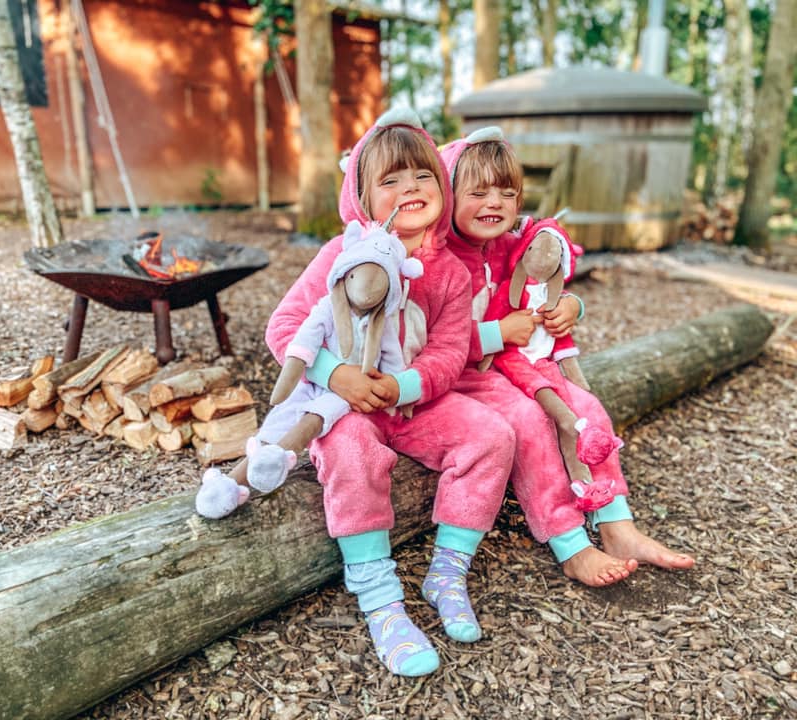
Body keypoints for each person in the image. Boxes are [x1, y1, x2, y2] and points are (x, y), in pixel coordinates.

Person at [263, 109, 515, 677]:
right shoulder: (339, 254)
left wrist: (403, 383)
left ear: (442, 187)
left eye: (423, 176)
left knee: (492, 435)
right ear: (361, 197)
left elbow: (452, 351)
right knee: (350, 448)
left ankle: (447, 572)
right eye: (390, 181)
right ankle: (381, 602)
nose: (410, 189)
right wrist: (336, 375)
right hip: (341, 405)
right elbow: (283, 328)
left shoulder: (449, 271)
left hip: (413, 403)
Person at [440, 127, 695, 587]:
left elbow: (552, 276)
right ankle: (570, 543)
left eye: (507, 192)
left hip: (519, 364)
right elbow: (432, 342)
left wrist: (572, 307)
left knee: (588, 409)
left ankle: (618, 526)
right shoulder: (439, 258)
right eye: (477, 192)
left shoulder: (511, 242)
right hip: (463, 377)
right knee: (533, 424)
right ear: (448, 195)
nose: (494, 203)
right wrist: (498, 333)